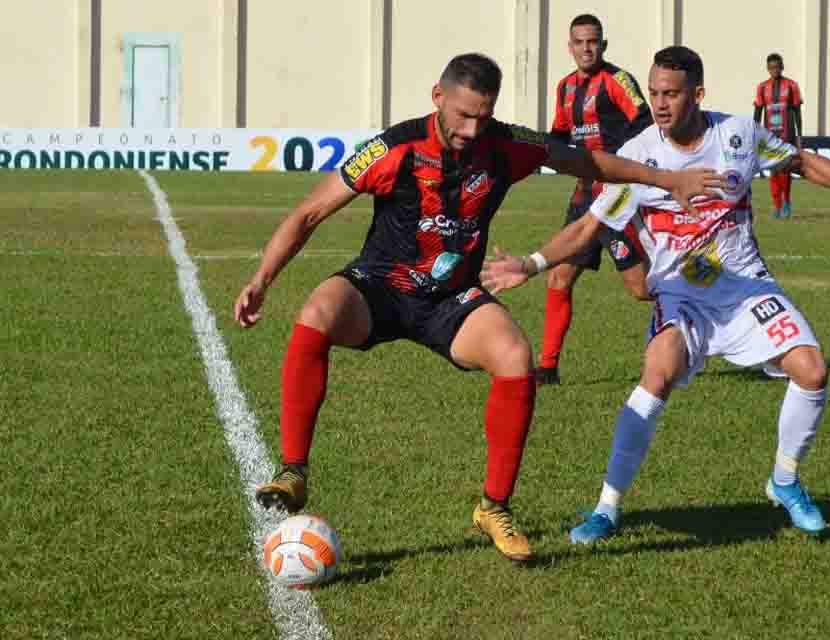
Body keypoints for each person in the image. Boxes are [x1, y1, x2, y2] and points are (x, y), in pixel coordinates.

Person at [234, 52, 722, 562]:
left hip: (452, 298)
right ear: (437, 97)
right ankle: (294, 470)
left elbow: (586, 160)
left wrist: (667, 180)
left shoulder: (506, 144)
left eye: (483, 116)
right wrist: (262, 280)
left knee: (514, 355)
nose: (471, 129)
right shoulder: (393, 148)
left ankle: (494, 506)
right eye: (463, 115)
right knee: (317, 312)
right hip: (381, 287)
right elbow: (310, 212)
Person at [481, 46, 830, 543]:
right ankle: (607, 508)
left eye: (671, 93)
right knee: (657, 373)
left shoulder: (737, 136)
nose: (660, 103)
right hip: (680, 294)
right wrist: (531, 264)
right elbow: (588, 227)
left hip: (743, 287)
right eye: (655, 93)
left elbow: (798, 162)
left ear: (698, 94)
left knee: (812, 370)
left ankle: (785, 482)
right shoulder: (642, 157)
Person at [535, 13, 654, 387]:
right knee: (559, 276)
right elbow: (557, 136)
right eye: (580, 42)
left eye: (593, 41)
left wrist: (629, 174)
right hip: (583, 198)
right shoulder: (565, 88)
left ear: (603, 45)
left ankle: (701, 306)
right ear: (570, 47)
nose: (587, 48)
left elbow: (646, 126)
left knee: (640, 289)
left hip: (617, 200)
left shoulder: (617, 81)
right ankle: (548, 368)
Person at [754, 52, 803, 219]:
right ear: (768, 69)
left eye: (777, 67)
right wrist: (755, 134)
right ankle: (777, 206)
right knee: (773, 170)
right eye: (771, 67)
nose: (774, 70)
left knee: (785, 170)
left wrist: (799, 136)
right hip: (769, 135)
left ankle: (787, 202)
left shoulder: (791, 86)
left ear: (782, 67)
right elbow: (757, 112)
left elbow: (797, 112)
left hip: (787, 134)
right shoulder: (762, 87)